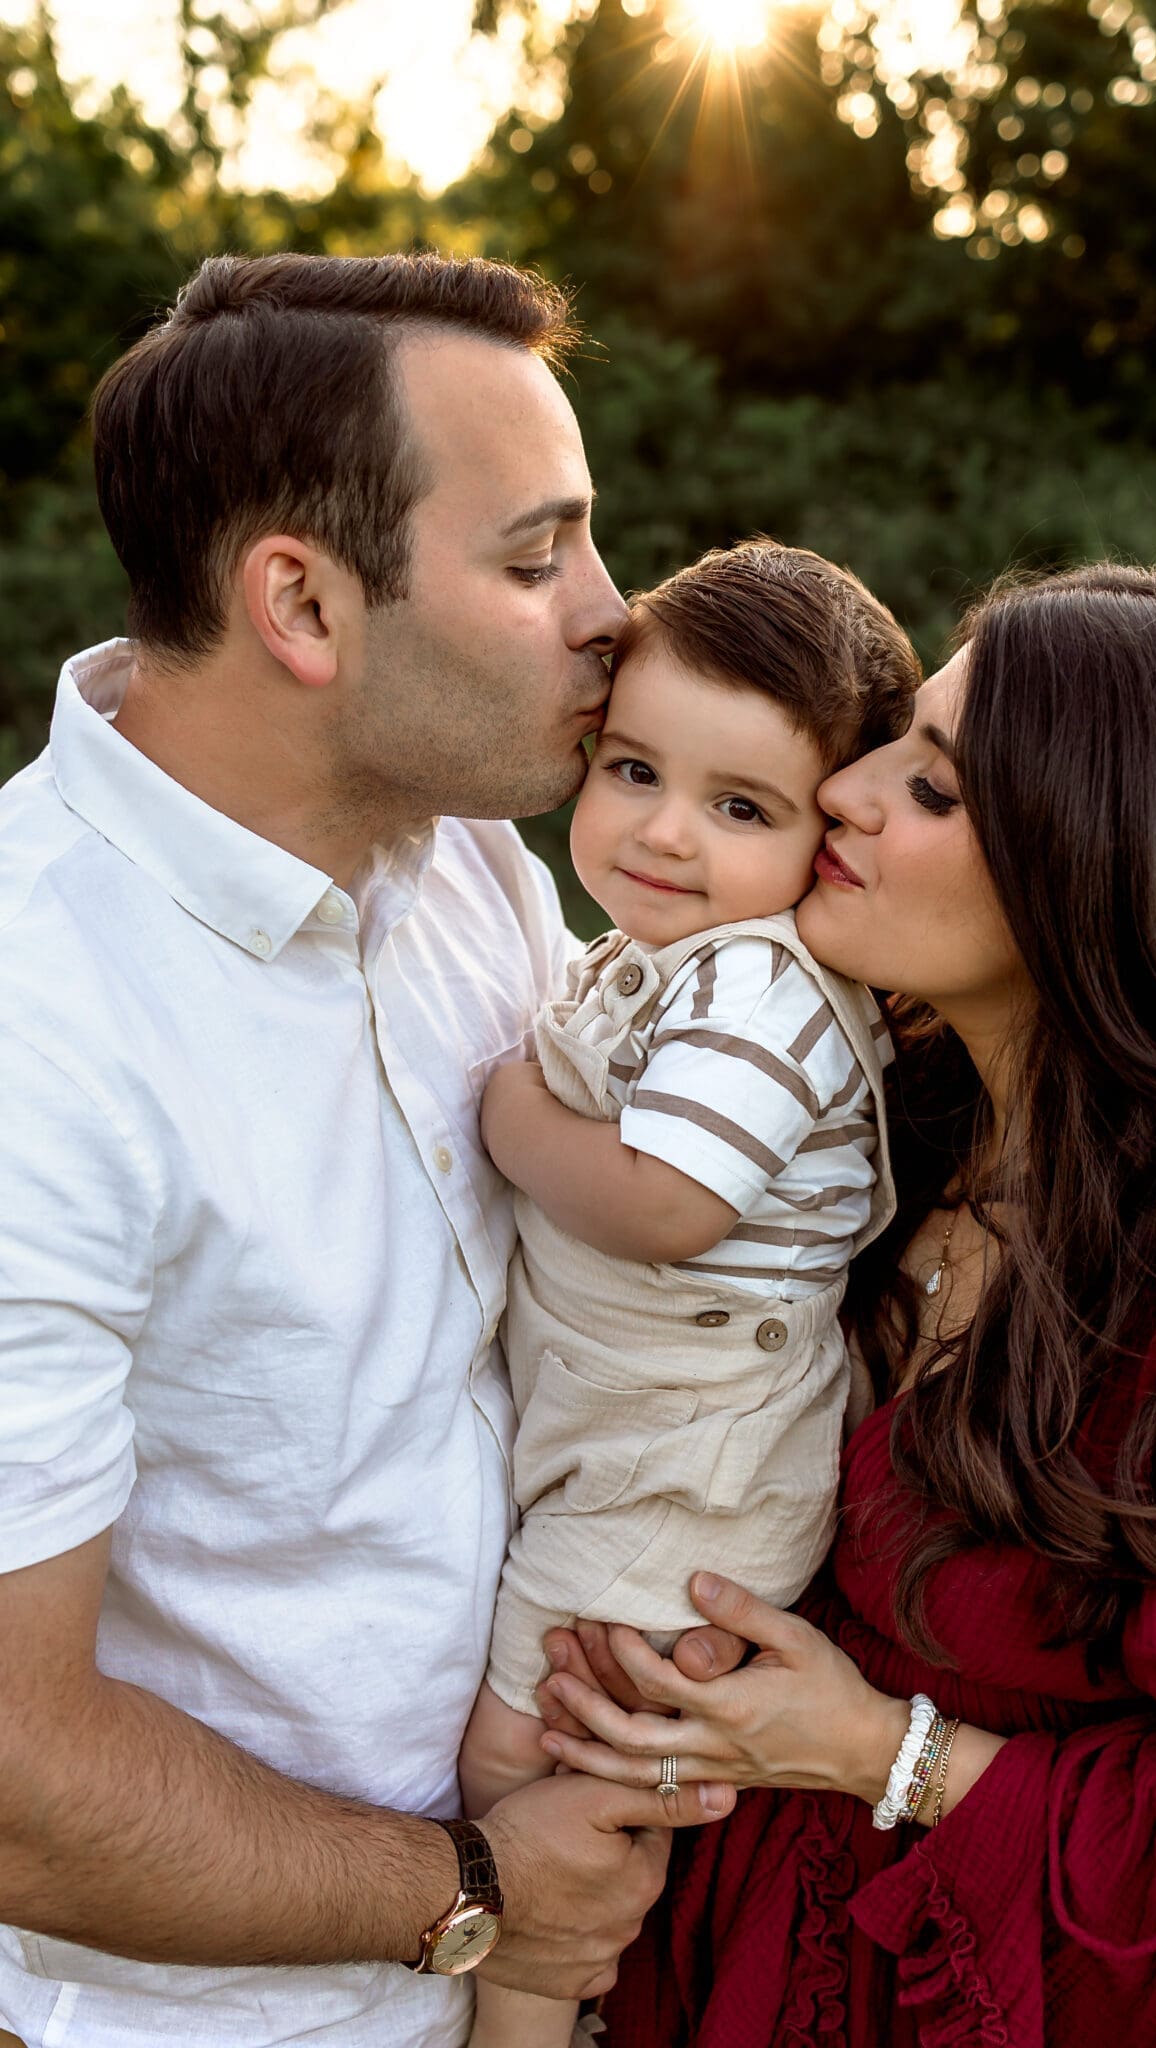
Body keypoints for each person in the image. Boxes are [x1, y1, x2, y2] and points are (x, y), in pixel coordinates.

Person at [0, 251, 737, 2048]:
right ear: (302, 605)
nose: (610, 617)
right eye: (533, 554)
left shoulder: (466, 862)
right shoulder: (36, 1029)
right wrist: (476, 1894)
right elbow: (9, 1765)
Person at [529, 564, 1156, 2045]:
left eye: (931, 787)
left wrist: (877, 1750)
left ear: (1092, 865)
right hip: (723, 1969)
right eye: (887, 743)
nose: (841, 792)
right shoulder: (870, 1137)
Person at [459, 541, 917, 2048]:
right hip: (638, 1444)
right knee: (569, 1765)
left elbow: (666, 1205)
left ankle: (535, 2015)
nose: (662, 834)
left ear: (826, 837)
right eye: (633, 769)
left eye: (739, 809)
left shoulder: (760, 992)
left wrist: (511, 1119)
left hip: (686, 1474)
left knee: (521, 1770)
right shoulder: (663, 958)